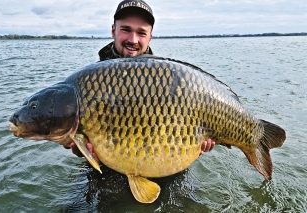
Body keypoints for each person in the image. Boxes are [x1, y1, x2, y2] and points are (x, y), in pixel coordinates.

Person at [66, 0, 215, 162]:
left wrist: (194, 143)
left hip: (163, 161)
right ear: (113, 30)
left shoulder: (169, 79)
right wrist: (76, 144)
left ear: (150, 37)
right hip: (106, 166)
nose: (133, 39)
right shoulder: (90, 81)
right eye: (126, 30)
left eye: (141, 33)